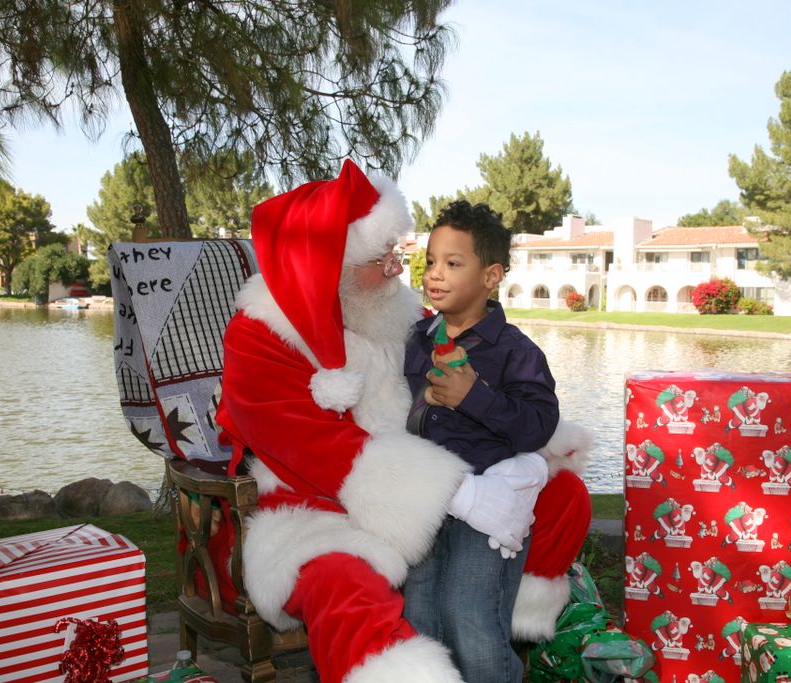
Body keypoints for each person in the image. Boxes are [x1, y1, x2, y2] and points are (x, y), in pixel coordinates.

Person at [215, 160, 592, 683]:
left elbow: (476, 390)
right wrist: (461, 494)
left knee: (563, 493)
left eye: (398, 252)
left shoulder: (400, 314)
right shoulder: (261, 336)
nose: (399, 269)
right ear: (330, 265)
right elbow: (315, 449)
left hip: (424, 490)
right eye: (381, 257)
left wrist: (529, 456)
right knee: (344, 586)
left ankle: (490, 635)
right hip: (315, 509)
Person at [402, 200, 559, 683]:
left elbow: (538, 425)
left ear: (491, 276)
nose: (435, 274)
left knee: (469, 614)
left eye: (453, 263)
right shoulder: (416, 339)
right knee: (420, 613)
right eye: (431, 261)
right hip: (428, 499)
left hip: (486, 507)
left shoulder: (515, 352)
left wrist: (475, 396)